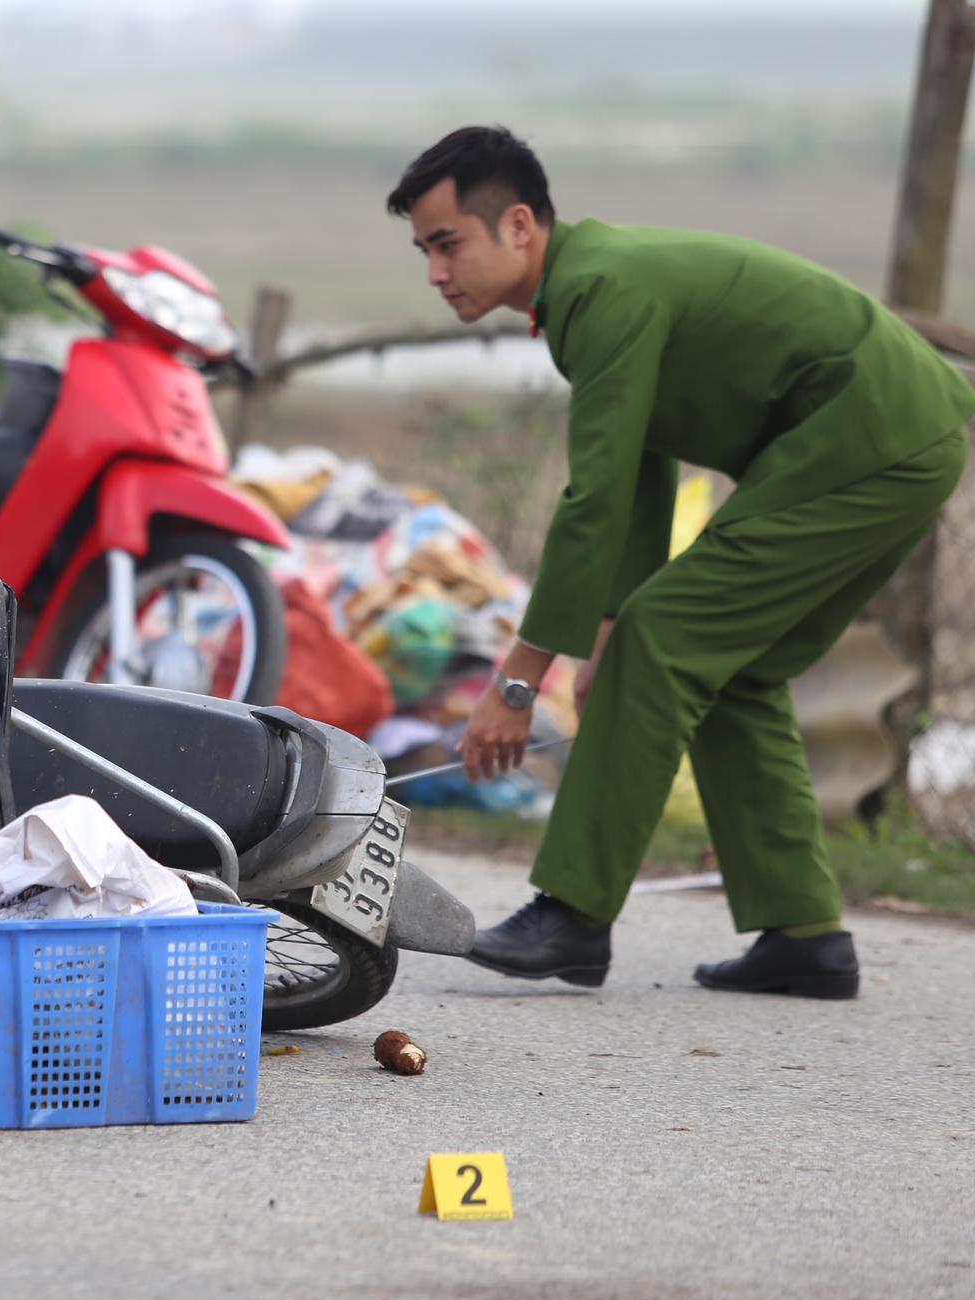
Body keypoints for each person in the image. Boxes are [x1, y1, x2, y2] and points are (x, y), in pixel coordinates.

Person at [387, 126, 974, 1000]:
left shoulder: (599, 289)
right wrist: (604, 637)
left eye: (447, 243)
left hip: (868, 438)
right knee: (728, 665)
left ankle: (572, 915)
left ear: (517, 225)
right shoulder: (584, 291)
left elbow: (591, 499)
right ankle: (803, 935)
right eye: (423, 251)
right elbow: (638, 470)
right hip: (883, 438)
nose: (435, 271)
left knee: (671, 633)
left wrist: (518, 683)